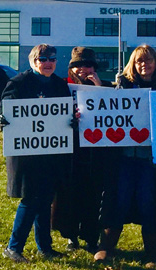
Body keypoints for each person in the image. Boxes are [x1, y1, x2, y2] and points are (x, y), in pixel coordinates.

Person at [94, 44, 156, 268]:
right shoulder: (123, 85)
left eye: (148, 60)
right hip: (124, 157)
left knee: (148, 202)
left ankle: (152, 254)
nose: (144, 65)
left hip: (151, 158)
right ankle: (106, 248)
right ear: (133, 64)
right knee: (118, 200)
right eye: (139, 61)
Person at [0, 44, 71, 263]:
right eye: (43, 59)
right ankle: (13, 247)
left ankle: (45, 247)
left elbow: (67, 112)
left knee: (46, 198)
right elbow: (6, 107)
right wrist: (4, 117)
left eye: (52, 59)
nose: (48, 63)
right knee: (31, 198)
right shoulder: (19, 82)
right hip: (27, 153)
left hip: (51, 151)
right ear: (34, 61)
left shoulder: (60, 84)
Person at [51, 46, 112, 252]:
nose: (83, 70)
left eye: (87, 65)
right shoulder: (60, 86)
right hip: (70, 151)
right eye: (78, 66)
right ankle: (70, 236)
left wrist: (98, 87)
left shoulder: (107, 87)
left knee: (93, 195)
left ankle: (91, 236)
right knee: (68, 194)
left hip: (95, 153)